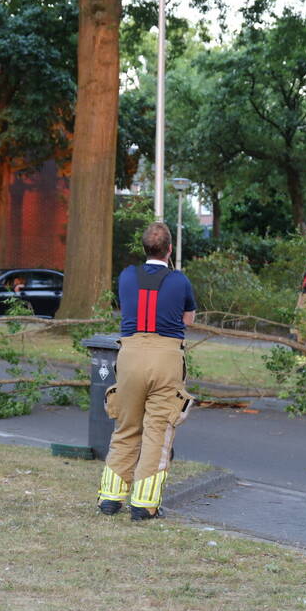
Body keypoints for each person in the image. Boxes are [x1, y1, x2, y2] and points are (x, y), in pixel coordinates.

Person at [97, 222, 197, 521]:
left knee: (126, 427)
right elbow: (188, 319)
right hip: (165, 357)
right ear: (169, 250)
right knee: (158, 431)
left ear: (144, 249)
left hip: (129, 355)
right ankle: (144, 504)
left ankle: (110, 499)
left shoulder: (127, 276)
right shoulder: (180, 281)